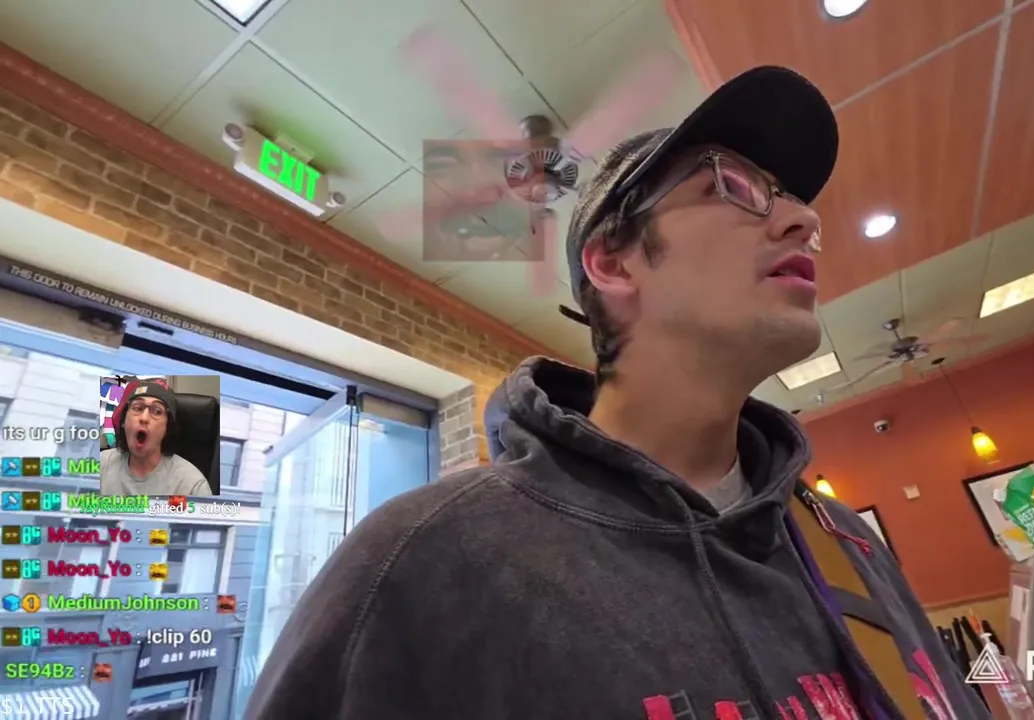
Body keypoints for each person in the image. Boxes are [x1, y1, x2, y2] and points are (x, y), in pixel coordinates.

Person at [246, 66, 988, 720]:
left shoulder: (846, 541)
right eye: (732, 186)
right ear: (613, 263)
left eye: (790, 198)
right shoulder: (424, 563)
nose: (805, 219)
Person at [99, 380, 212, 497]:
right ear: (123, 421)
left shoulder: (193, 487)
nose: (144, 418)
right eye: (137, 408)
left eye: (157, 411)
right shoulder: (100, 464)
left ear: (167, 427)